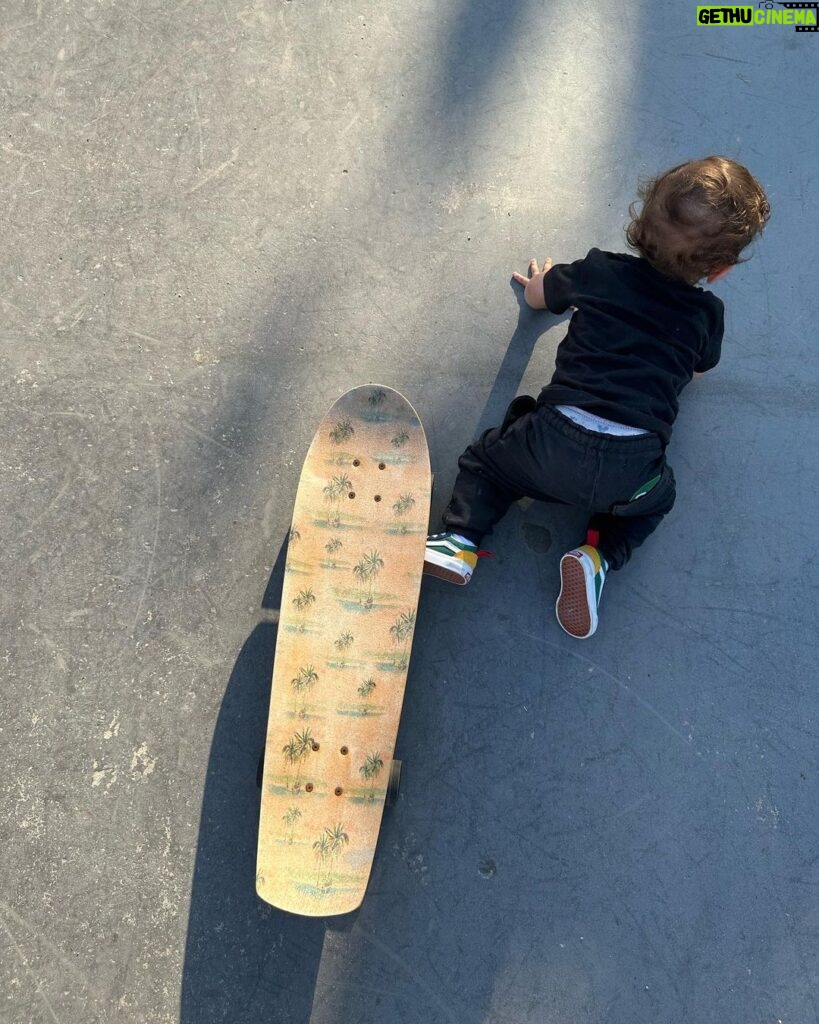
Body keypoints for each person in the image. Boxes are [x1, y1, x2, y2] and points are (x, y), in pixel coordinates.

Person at [423, 156, 770, 639]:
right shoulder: (707, 315)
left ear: (639, 220)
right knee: (656, 501)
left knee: (489, 460)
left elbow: (538, 296)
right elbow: (696, 368)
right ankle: (598, 556)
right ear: (720, 270)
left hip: (550, 441)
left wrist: (544, 282)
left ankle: (460, 540)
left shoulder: (598, 271)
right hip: (631, 470)